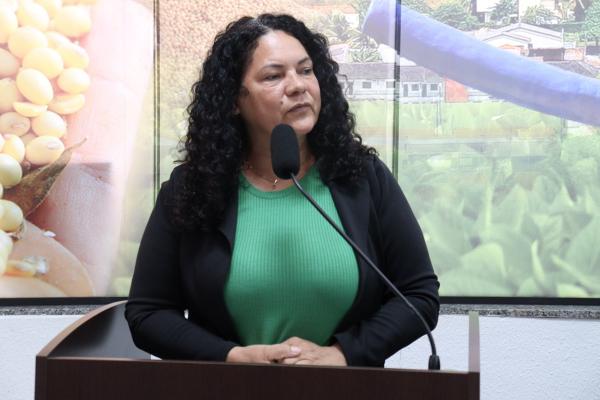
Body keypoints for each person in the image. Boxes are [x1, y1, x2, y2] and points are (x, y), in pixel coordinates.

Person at [125, 13, 439, 368]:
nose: (297, 86)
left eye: (305, 71)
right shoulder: (193, 188)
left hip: (347, 390)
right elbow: (147, 313)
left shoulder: (362, 177)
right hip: (227, 389)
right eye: (273, 76)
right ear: (234, 99)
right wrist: (232, 357)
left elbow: (419, 296)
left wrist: (342, 354)